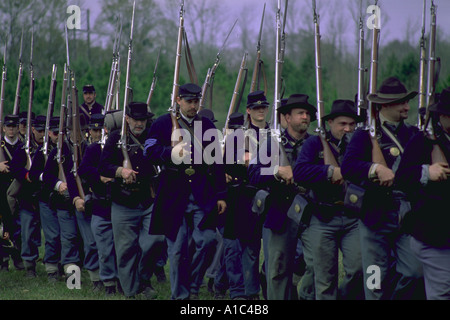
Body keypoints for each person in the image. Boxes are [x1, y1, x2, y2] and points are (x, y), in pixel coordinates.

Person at [341, 76, 425, 300]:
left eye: (407, 101)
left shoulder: (414, 135)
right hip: (375, 215)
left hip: (405, 215)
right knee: (374, 277)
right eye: (401, 102)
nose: (407, 106)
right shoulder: (364, 134)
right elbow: (348, 167)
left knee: (415, 272)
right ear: (385, 105)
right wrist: (375, 168)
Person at [144, 83, 227, 300]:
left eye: (196, 101)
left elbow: (217, 162)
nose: (193, 105)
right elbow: (149, 151)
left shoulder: (207, 125)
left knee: (208, 241)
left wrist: (221, 195)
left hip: (202, 193)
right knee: (178, 249)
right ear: (178, 100)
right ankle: (180, 297)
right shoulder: (163, 123)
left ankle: (193, 285)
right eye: (189, 101)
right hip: (173, 193)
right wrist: (171, 151)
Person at [294, 99, 365, 300]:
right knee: (324, 277)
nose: (347, 128)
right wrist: (328, 172)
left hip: (353, 216)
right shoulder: (314, 143)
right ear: (330, 123)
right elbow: (299, 171)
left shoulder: (360, 144)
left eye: (352, 124)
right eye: (342, 124)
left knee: (359, 269)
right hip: (321, 216)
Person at [248, 93, 316, 300]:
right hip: (280, 211)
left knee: (315, 264)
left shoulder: (316, 144)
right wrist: (275, 171)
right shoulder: (271, 144)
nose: (305, 117)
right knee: (276, 269)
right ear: (287, 118)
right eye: (300, 113)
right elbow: (253, 174)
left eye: (307, 113)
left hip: (312, 212)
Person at [99, 102, 164, 299]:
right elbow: (103, 167)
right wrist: (121, 171)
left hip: (147, 199)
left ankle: (144, 279)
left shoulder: (153, 136)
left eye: (142, 119)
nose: (139, 123)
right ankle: (130, 292)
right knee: (126, 250)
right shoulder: (115, 138)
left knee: (155, 240)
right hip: (123, 200)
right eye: (135, 119)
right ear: (127, 119)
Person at [396, 87, 450, 300]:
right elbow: (401, 179)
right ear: (444, 116)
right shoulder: (422, 141)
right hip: (434, 234)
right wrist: (427, 171)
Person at [42, 115, 101, 291]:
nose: (78, 134)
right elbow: (47, 175)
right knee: (69, 239)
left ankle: (96, 278)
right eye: (74, 131)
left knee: (90, 241)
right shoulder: (59, 151)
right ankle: (73, 280)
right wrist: (59, 184)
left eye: (81, 130)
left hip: (85, 202)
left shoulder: (90, 149)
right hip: (64, 204)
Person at [79, 113, 119, 296]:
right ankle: (109, 282)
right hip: (101, 205)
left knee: (123, 247)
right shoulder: (95, 149)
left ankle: (124, 280)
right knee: (103, 248)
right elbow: (83, 170)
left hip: (121, 205)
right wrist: (100, 176)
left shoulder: (121, 149)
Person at [9, 115, 46, 277]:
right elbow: (15, 167)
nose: (42, 134)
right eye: (39, 130)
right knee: (27, 232)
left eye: (45, 130)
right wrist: (26, 175)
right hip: (27, 195)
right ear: (33, 130)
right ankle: (29, 265)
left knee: (53, 234)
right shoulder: (25, 148)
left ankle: (54, 265)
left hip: (46, 196)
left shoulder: (51, 148)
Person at [27, 116, 61, 282]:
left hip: (63, 200)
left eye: (59, 133)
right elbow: (32, 174)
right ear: (49, 133)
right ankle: (51, 269)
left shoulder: (67, 150)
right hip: (46, 199)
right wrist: (46, 177)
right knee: (53, 235)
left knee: (67, 236)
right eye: (55, 133)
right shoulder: (43, 152)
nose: (57, 136)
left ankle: (65, 268)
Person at [0, 115, 24, 271]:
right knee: (3, 227)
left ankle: (18, 257)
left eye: (14, 127)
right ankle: (3, 260)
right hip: (2, 190)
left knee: (18, 227)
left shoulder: (23, 146)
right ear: (3, 128)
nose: (11, 130)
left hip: (19, 191)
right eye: (8, 127)